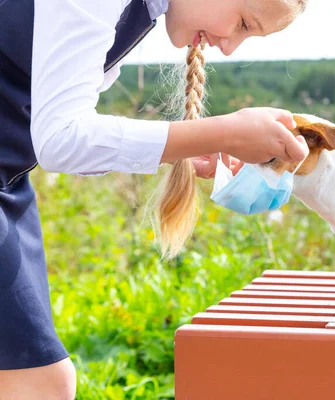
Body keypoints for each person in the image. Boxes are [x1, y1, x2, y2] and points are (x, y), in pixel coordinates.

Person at [0, 0, 309, 397]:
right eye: (243, 22)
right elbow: (62, 141)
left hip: (10, 182)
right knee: (38, 380)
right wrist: (222, 133)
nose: (230, 47)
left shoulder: (141, 10)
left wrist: (189, 145)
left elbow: (60, 137)